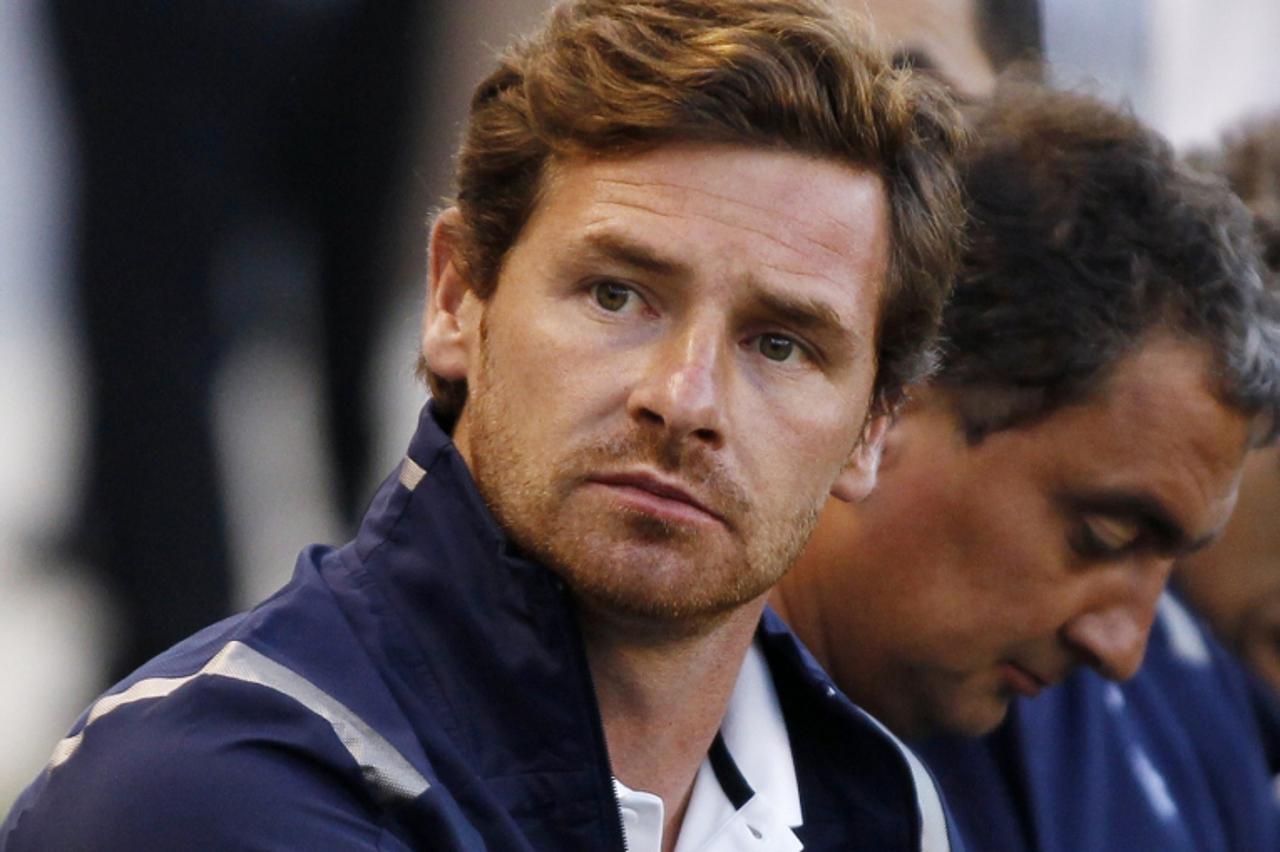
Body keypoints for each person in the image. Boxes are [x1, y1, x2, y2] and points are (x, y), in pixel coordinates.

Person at [2, 1, 969, 849]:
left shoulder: (887, 813)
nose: (685, 398)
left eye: (783, 345)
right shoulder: (200, 802)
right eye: (618, 293)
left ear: (876, 428)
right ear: (457, 296)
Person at [773, 83, 1280, 849]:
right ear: (894, 393)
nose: (1121, 649)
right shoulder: (597, 723)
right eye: (1103, 536)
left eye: (1165, 569)